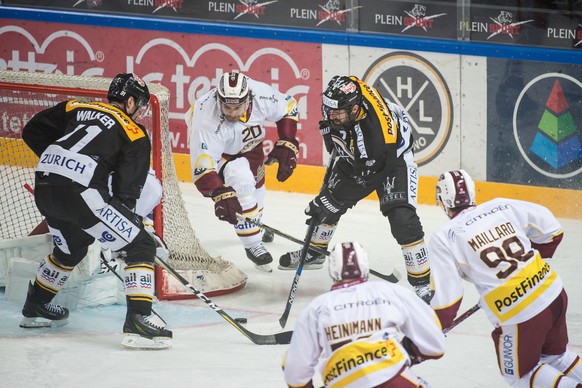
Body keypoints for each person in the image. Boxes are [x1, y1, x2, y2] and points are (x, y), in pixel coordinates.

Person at [20, 73, 172, 349]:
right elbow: (127, 193)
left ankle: (36, 305)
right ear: (129, 101)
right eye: (139, 104)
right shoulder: (134, 132)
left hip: (45, 186)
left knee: (72, 248)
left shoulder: (73, 106)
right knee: (141, 245)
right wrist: (126, 232)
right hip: (83, 193)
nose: (139, 111)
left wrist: (60, 162)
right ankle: (139, 319)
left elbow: (31, 131)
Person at [279, 75, 433, 303]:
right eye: (329, 110)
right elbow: (349, 85)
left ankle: (422, 284)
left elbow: (368, 172)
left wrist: (329, 200)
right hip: (363, 155)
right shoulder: (346, 101)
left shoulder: (375, 138)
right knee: (327, 205)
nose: (332, 116)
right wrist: (329, 200)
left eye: (338, 113)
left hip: (393, 160)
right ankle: (314, 253)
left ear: (355, 109)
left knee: (402, 220)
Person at [429, 169, 582, 387]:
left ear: (443, 201)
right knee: (558, 357)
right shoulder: (500, 205)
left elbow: (448, 301)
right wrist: (526, 263)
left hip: (519, 313)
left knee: (520, 377)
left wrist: (433, 327)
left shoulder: (444, 238)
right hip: (553, 292)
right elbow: (553, 231)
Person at [283, 241, 445, 388]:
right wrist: (409, 351)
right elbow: (435, 346)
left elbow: (295, 374)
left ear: (332, 270)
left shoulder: (316, 309)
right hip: (394, 379)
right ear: (365, 266)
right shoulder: (390, 292)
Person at [185, 71, 299, 272]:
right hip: (220, 153)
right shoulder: (206, 119)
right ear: (219, 100)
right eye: (227, 107)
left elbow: (289, 107)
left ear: (248, 98)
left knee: (257, 188)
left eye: (237, 107)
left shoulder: (260, 93)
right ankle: (252, 244)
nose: (232, 113)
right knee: (242, 180)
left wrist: (288, 141)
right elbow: (202, 168)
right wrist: (219, 193)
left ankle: (255, 226)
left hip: (250, 145)